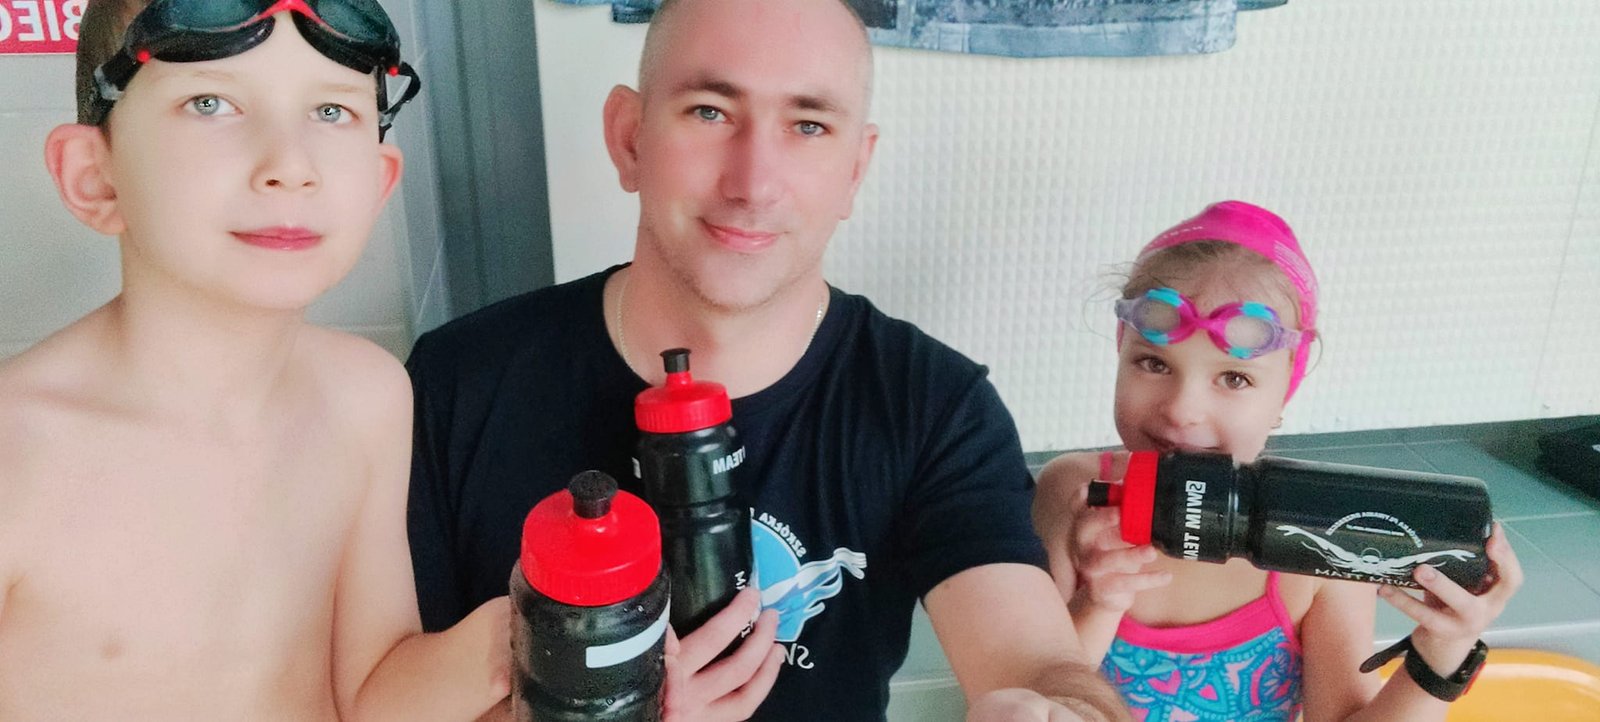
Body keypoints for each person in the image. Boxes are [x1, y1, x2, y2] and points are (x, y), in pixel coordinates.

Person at [405, 0, 1127, 719]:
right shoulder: (457, 384)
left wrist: (1066, 711)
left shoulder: (935, 407)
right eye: (710, 112)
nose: (752, 183)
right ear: (629, 138)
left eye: (808, 125)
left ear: (854, 169)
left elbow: (1038, 666)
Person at [0, 1, 508, 719]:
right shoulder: (16, 455)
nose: (290, 166)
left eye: (331, 111)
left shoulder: (367, 396)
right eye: (210, 102)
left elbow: (371, 693)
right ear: (96, 176)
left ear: (377, 182)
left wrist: (520, 642)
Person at [1033, 201, 1525, 720]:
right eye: (1153, 363)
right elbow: (1025, 694)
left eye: (1234, 378)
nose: (1181, 409)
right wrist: (1098, 606)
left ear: (1284, 392)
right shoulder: (1075, 497)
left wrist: (1442, 652)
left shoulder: (1318, 527)